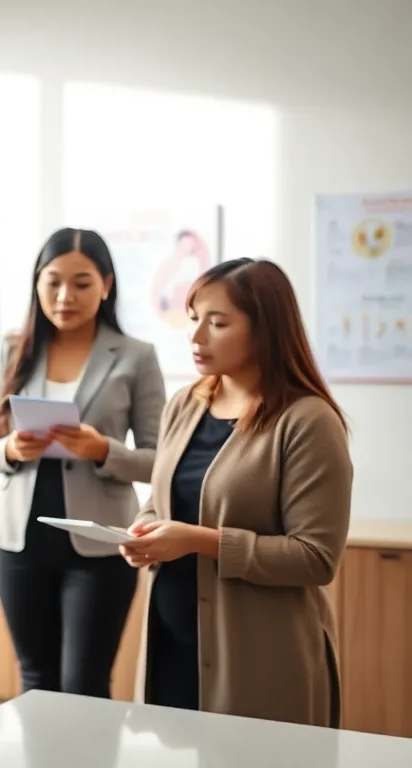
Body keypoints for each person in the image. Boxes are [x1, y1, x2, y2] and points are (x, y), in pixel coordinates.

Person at [121, 257, 351, 726]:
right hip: (172, 644)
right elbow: (163, 499)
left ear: (265, 329)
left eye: (217, 322)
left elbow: (315, 557)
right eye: (193, 319)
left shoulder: (308, 422)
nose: (196, 336)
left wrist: (198, 540)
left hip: (261, 660)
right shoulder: (185, 404)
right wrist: (145, 529)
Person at [0, 227, 165, 697]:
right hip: (19, 543)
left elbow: (161, 461)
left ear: (107, 285)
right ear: (37, 284)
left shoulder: (136, 357)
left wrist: (104, 451)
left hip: (99, 548)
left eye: (81, 283)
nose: (65, 296)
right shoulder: (13, 349)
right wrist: (10, 449)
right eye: (53, 282)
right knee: (35, 681)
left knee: (85, 684)